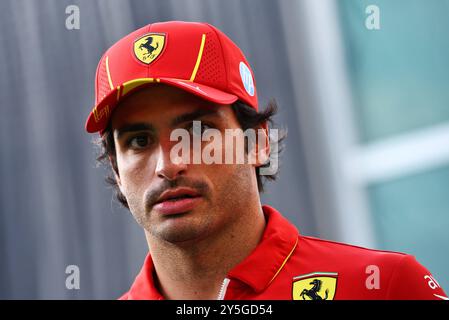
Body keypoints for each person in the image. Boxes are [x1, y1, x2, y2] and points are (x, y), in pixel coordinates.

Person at [85, 21, 447, 300]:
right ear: (117, 170)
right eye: (140, 141)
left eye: (196, 131)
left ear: (256, 142)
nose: (167, 164)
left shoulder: (382, 287)